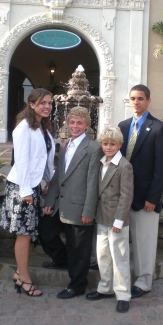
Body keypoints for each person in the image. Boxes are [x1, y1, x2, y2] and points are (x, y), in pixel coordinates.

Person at [0, 88, 55, 297]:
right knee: (24, 234)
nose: (47, 106)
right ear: (31, 104)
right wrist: (25, 191)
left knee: (31, 233)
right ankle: (24, 278)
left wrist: (48, 181)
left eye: (49, 103)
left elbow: (46, 160)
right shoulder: (23, 128)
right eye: (43, 103)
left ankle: (19, 273)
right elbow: (21, 161)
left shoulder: (44, 127)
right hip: (22, 188)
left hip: (34, 187)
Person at [118, 84, 163, 298]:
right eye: (133, 98)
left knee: (144, 243)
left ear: (148, 101)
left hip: (146, 198)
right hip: (123, 197)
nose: (136, 102)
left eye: (140, 98)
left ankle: (144, 281)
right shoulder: (122, 127)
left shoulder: (159, 128)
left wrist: (153, 197)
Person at [44, 106, 102, 299]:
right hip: (60, 203)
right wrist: (50, 200)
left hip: (80, 207)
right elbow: (59, 176)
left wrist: (89, 210)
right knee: (45, 232)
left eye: (79, 123)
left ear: (86, 125)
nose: (75, 126)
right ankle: (62, 260)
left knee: (79, 248)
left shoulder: (94, 148)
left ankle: (77, 285)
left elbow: (93, 182)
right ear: (67, 124)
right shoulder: (65, 145)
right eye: (72, 122)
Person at [85, 126, 133, 313]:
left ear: (120, 145)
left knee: (119, 257)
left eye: (112, 144)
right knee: (102, 255)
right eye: (105, 144)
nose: (108, 147)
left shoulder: (124, 166)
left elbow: (126, 196)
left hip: (116, 220)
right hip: (101, 217)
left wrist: (119, 221)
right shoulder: (100, 162)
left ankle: (123, 294)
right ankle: (105, 287)